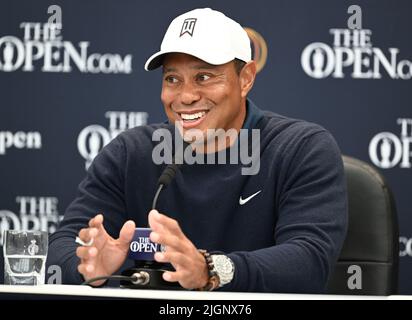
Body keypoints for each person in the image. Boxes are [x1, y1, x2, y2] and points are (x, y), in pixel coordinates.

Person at [47, 8, 348, 293]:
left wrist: (210, 271)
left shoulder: (300, 148)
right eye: (172, 79)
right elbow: (63, 245)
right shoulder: (130, 153)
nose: (186, 96)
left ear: (246, 79)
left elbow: (309, 261)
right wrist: (85, 265)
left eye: (204, 77)